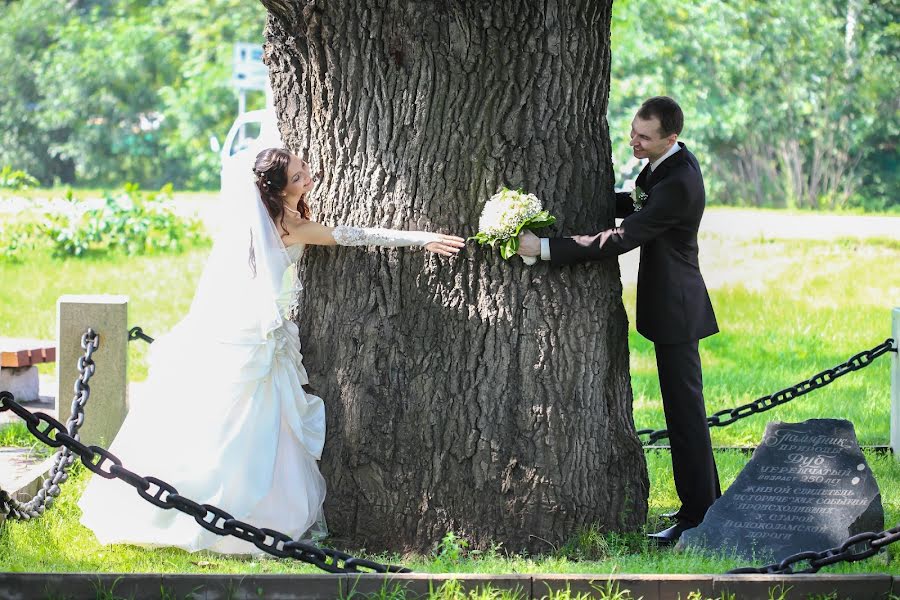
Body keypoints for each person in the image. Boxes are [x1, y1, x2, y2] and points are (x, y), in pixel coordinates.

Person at [78, 147, 465, 554]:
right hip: (252, 331)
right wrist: (421, 238)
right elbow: (352, 235)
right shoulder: (285, 225)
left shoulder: (270, 220)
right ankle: (227, 508)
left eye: (304, 170)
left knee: (250, 419)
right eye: (298, 178)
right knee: (244, 421)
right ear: (276, 191)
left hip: (244, 322)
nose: (309, 178)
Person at [516, 96, 720, 545]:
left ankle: (698, 517)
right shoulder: (667, 165)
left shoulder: (680, 180)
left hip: (677, 309)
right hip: (669, 302)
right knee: (685, 412)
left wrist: (548, 249)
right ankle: (704, 505)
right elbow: (635, 204)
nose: (635, 142)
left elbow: (626, 236)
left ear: (671, 137)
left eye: (644, 138)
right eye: (633, 132)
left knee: (685, 415)